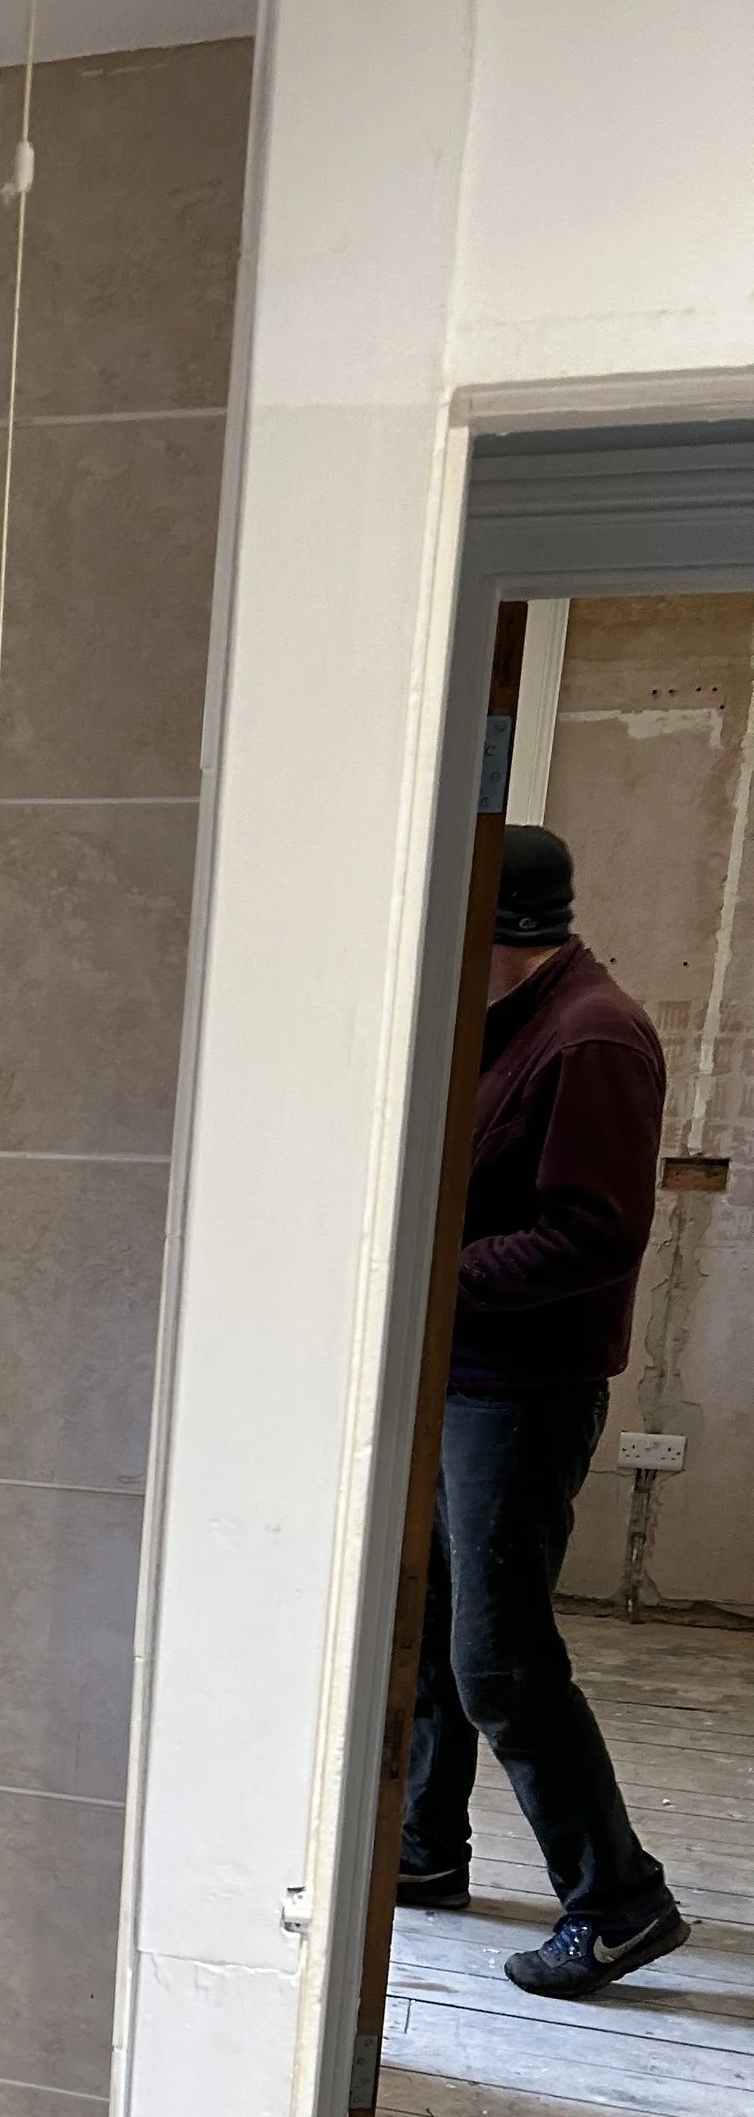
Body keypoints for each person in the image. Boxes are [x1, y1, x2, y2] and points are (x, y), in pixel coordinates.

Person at [396, 822, 688, 1997]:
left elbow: (595, 1232)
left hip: (519, 1391)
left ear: (493, 928)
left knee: (500, 1661)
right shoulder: (509, 1021)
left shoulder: (591, 1038)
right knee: (423, 1627)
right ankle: (420, 1855)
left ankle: (619, 1902)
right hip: (459, 1376)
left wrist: (430, 1275)